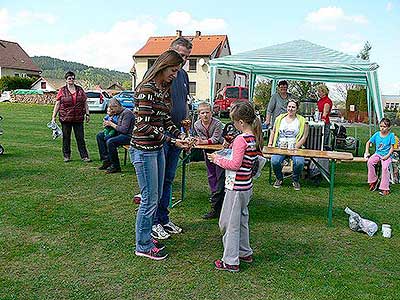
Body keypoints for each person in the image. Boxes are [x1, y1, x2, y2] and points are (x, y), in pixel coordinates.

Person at [130, 49, 188, 260]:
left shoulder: (162, 89)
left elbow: (164, 121)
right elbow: (144, 126)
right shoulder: (146, 89)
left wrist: (179, 136)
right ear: (163, 67)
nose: (175, 74)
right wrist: (171, 140)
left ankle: (146, 237)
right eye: (173, 70)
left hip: (156, 150)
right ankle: (143, 246)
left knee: (156, 195)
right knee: (149, 200)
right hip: (144, 152)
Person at [207, 101, 262, 272]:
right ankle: (244, 251)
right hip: (246, 187)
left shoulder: (241, 139)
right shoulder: (253, 137)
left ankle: (230, 260)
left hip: (236, 187)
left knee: (228, 223)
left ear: (240, 122)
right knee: (242, 220)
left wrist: (217, 159)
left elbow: (235, 164)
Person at [151, 37, 193, 240]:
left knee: (168, 179)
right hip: (162, 134)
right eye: (181, 55)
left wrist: (185, 128)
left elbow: (184, 103)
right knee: (157, 181)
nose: (183, 60)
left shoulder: (182, 75)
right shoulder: (160, 74)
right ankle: (154, 221)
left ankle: (164, 219)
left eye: (187, 57)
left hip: (178, 133)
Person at [268, 99, 309, 191]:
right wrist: (270, 144)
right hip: (280, 147)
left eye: (293, 107)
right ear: (286, 107)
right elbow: (273, 131)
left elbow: (304, 136)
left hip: (295, 147)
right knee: (274, 161)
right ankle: (279, 178)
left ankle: (295, 180)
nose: (291, 109)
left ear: (297, 109)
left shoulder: (302, 120)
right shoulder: (279, 118)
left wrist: (296, 146)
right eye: (289, 106)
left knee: (299, 162)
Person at [193, 102, 225, 219]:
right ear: (199, 114)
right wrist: (201, 141)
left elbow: (216, 139)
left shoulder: (217, 123)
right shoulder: (197, 125)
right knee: (211, 173)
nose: (205, 115)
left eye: (207, 112)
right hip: (207, 150)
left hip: (219, 150)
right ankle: (214, 193)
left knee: (220, 174)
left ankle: (220, 196)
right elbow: (201, 137)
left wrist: (203, 141)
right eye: (202, 113)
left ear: (211, 113)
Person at [51, 71, 91, 162]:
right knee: (66, 138)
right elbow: (57, 104)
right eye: (69, 78)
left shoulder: (80, 89)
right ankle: (66, 156)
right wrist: (53, 116)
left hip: (78, 118)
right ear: (66, 80)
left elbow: (85, 102)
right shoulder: (62, 90)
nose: (71, 80)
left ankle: (84, 156)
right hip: (65, 118)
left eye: (73, 78)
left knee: (80, 138)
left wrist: (87, 114)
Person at [96, 98, 135, 173]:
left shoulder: (127, 113)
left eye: (113, 109)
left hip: (129, 136)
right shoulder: (118, 113)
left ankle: (115, 166)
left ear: (117, 106)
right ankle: (107, 160)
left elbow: (124, 130)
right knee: (100, 136)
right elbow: (117, 126)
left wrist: (111, 124)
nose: (112, 112)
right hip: (120, 133)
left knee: (111, 142)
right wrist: (107, 123)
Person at [364, 118, 395, 196]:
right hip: (377, 154)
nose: (382, 128)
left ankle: (385, 188)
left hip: (387, 155)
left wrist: (387, 156)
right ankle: (373, 180)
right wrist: (367, 151)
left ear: (388, 127)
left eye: (384, 126)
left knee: (384, 168)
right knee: (370, 162)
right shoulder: (377, 134)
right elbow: (368, 142)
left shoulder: (391, 135)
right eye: (381, 126)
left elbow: (392, 148)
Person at [316, 84, 333, 150]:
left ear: (324, 92)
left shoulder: (327, 101)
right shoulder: (320, 100)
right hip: (320, 121)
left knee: (323, 139)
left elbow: (325, 112)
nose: (318, 93)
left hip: (325, 122)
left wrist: (322, 119)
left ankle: (323, 155)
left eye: (320, 91)